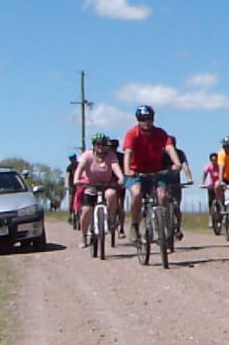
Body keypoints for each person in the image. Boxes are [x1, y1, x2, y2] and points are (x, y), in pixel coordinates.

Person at [122, 105, 183, 244]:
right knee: (137, 194)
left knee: (162, 196)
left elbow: (169, 147)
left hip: (156, 172)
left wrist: (177, 163)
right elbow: (128, 152)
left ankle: (164, 227)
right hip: (136, 173)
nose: (146, 122)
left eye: (149, 119)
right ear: (138, 120)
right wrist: (127, 169)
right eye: (143, 119)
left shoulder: (160, 133)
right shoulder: (132, 134)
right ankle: (135, 224)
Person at [74, 132, 126, 249]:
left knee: (112, 194)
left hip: (106, 185)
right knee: (87, 210)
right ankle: (83, 235)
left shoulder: (111, 155)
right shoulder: (87, 155)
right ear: (94, 145)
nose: (100, 147)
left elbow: (115, 167)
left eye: (103, 144)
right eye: (98, 144)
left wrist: (121, 177)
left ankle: (111, 220)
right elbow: (80, 167)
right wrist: (76, 179)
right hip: (90, 185)